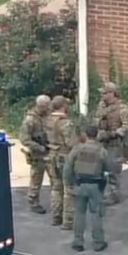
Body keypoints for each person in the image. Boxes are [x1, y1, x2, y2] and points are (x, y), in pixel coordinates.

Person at [63, 125, 111, 252]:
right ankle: (98, 242)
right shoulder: (101, 150)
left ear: (85, 134)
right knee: (96, 214)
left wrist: (68, 183)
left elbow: (68, 167)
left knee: (79, 214)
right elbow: (108, 167)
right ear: (97, 135)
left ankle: (78, 241)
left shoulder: (77, 149)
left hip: (79, 184)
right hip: (96, 185)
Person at [93, 82, 128, 206]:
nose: (102, 96)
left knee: (112, 170)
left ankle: (114, 195)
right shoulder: (101, 107)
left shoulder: (122, 109)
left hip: (114, 144)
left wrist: (113, 133)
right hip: (100, 142)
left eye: (104, 93)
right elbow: (95, 120)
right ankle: (100, 193)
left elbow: (127, 126)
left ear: (112, 93)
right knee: (98, 169)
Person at [44, 95, 76, 230]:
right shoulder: (66, 123)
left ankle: (56, 216)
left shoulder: (47, 120)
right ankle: (68, 220)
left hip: (52, 155)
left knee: (56, 188)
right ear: (63, 106)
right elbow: (70, 142)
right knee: (69, 189)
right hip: (64, 156)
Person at [19, 94, 51, 213]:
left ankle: (57, 201)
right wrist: (38, 147)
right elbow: (24, 138)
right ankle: (33, 201)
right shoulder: (30, 120)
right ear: (41, 106)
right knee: (36, 178)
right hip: (38, 154)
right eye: (47, 106)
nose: (48, 108)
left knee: (55, 178)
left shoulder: (48, 116)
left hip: (50, 151)